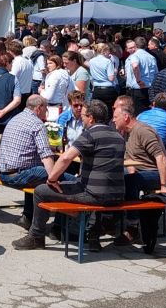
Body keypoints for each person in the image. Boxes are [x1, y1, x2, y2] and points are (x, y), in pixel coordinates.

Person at [13, 99, 126, 251]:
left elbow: (66, 157)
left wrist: (52, 178)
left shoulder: (91, 134)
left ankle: (36, 236)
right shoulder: (118, 136)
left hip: (94, 195)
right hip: (117, 195)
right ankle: (92, 237)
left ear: (91, 118)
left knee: (41, 191)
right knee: (86, 187)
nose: (82, 118)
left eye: (84, 115)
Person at [0, 95, 71, 227]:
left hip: (3, 173)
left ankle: (28, 216)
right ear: (39, 108)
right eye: (46, 108)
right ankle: (60, 226)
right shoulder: (37, 124)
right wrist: (54, 178)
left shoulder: (16, 118)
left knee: (36, 173)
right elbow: (46, 155)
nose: (46, 111)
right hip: (16, 175)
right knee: (64, 178)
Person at [113, 96, 166, 243]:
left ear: (126, 117)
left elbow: (160, 157)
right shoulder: (127, 133)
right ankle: (111, 220)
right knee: (116, 176)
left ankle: (132, 227)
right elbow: (131, 160)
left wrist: (164, 185)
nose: (113, 120)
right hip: (141, 172)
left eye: (116, 117)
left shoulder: (143, 131)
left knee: (131, 181)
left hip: (156, 173)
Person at [124, 37, 157, 110]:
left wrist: (138, 80)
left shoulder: (134, 56)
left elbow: (135, 66)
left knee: (137, 114)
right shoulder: (151, 57)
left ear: (136, 45)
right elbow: (156, 74)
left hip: (137, 89)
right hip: (149, 89)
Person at [38, 55, 70, 121]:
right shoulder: (64, 73)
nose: (48, 66)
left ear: (57, 63)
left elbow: (48, 96)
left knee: (51, 129)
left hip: (52, 108)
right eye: (47, 63)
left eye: (50, 63)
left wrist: (41, 91)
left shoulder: (54, 75)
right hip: (61, 106)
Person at [87, 42, 118, 109]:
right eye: (108, 51)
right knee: (109, 110)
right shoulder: (108, 61)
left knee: (98, 110)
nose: (109, 53)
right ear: (104, 51)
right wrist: (115, 72)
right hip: (108, 89)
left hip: (96, 89)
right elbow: (111, 78)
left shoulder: (91, 61)